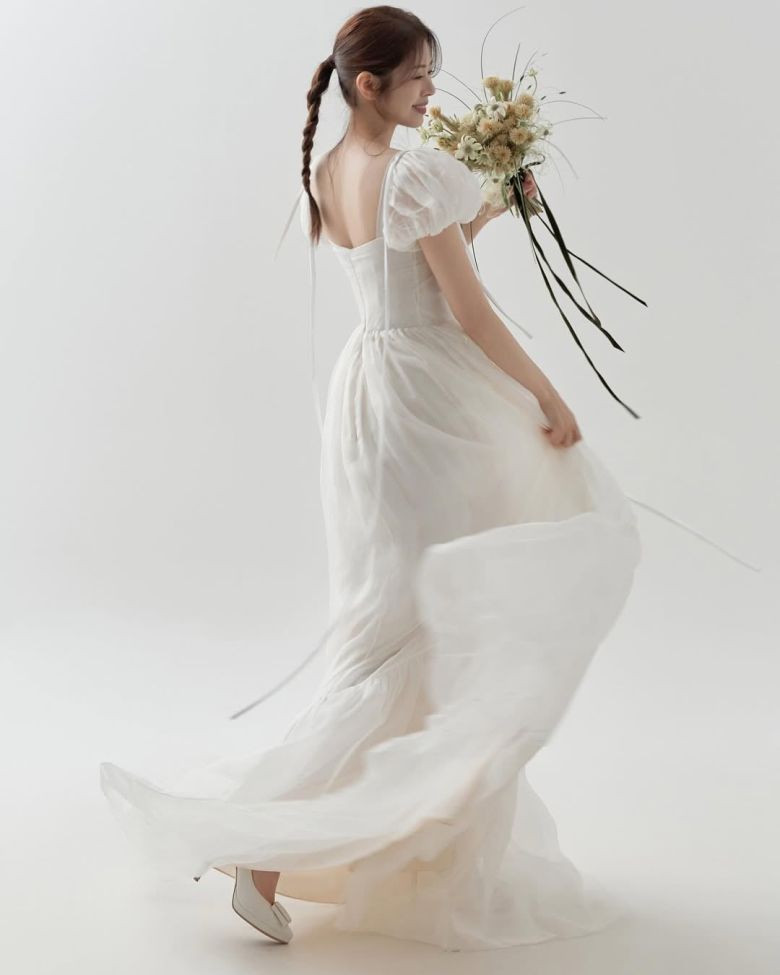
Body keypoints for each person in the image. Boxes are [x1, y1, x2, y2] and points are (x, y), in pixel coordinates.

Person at [99, 5, 642, 953]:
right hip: (429, 399)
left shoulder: (331, 170)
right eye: (420, 75)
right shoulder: (412, 171)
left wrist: (492, 207)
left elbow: (413, 263)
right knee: (425, 629)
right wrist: (548, 391)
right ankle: (264, 843)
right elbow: (466, 312)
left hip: (370, 396)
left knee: (390, 629)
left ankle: (280, 834)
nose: (433, 90)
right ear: (370, 84)